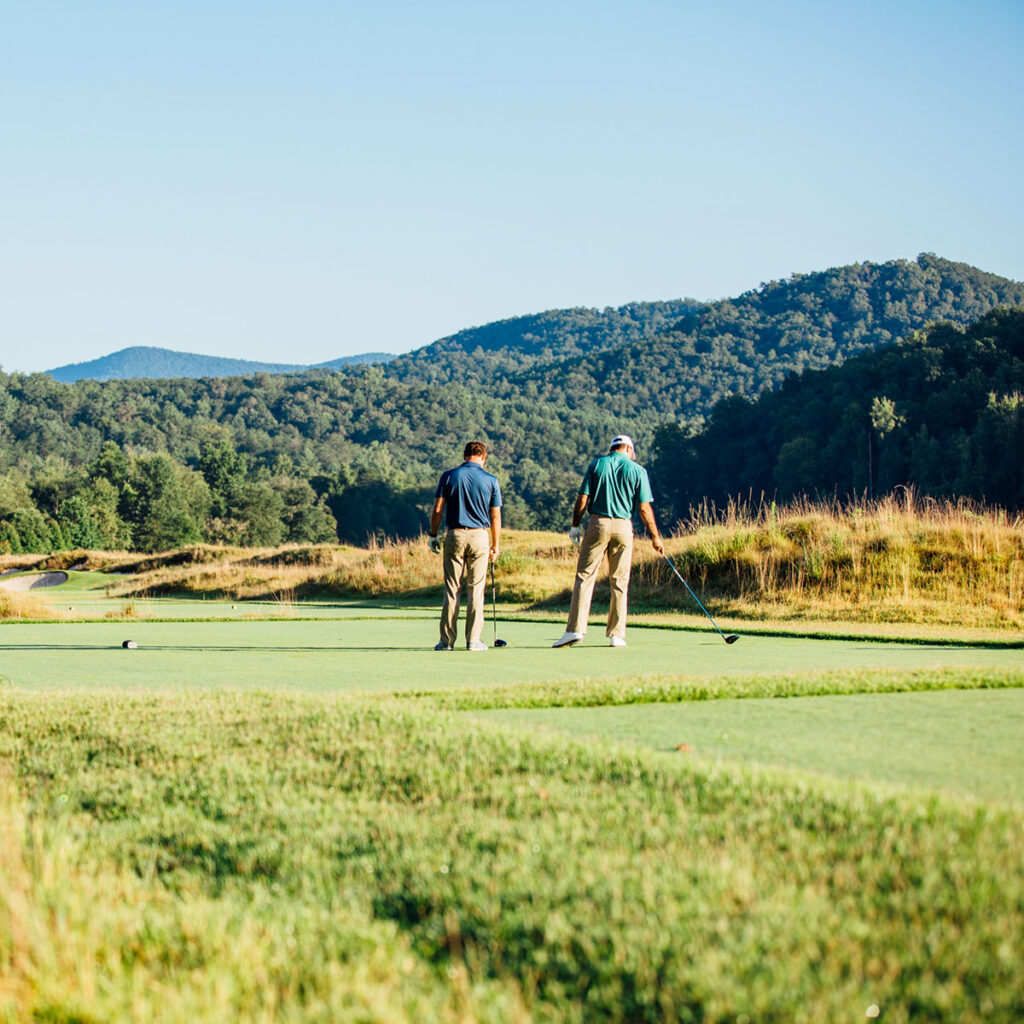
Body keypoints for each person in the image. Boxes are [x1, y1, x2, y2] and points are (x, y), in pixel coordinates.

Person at [553, 434, 664, 648]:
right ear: (629, 449)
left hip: (598, 523)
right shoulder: (638, 470)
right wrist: (655, 537)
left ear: (612, 448)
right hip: (623, 526)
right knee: (619, 581)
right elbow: (644, 508)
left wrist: (575, 524)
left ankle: (575, 630)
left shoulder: (597, 464)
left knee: (585, 577)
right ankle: (617, 635)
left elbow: (583, 498)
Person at [429, 441, 502, 651]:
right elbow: (495, 515)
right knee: (476, 590)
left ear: (464, 455)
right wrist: (496, 545)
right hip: (480, 536)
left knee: (453, 589)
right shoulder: (491, 480)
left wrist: (433, 534)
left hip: (455, 534)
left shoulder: (449, 476)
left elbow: (437, 510)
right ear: (483, 457)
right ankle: (473, 640)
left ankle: (446, 642)